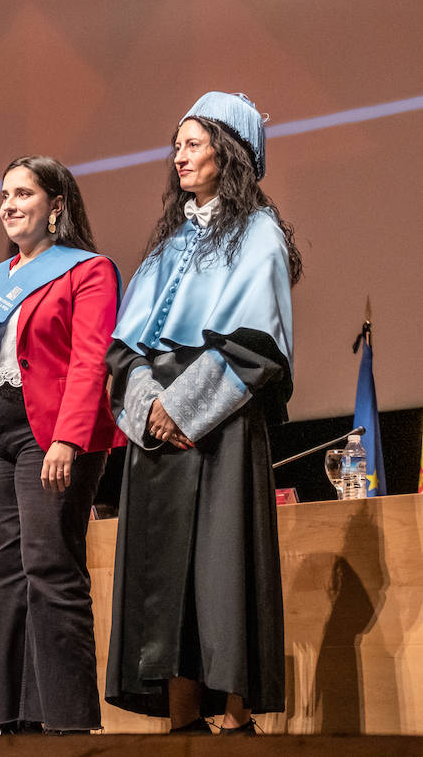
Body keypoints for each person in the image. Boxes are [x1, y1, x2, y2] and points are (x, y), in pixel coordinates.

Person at [105, 92, 300, 735]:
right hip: (157, 429)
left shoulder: (258, 233)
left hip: (219, 424)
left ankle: (238, 718)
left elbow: (255, 345)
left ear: (229, 151)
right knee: (165, 574)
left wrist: (184, 408)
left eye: (192, 143)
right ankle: (181, 718)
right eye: (178, 145)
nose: (180, 156)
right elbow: (127, 346)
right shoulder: (167, 245)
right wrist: (147, 406)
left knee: (221, 566)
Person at [0, 157, 122, 735]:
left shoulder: (88, 270)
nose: (8, 204)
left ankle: (65, 721)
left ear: (56, 204)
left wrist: (69, 435)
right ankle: (11, 717)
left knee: (48, 564)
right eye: (4, 195)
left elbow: (92, 358)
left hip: (52, 428)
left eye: (23, 193)